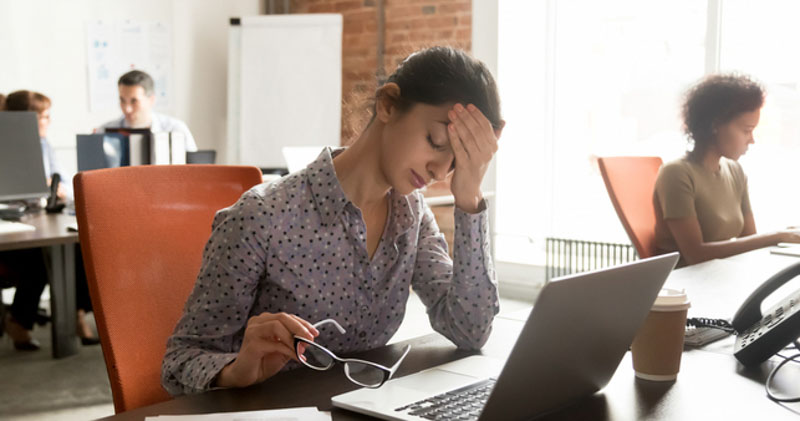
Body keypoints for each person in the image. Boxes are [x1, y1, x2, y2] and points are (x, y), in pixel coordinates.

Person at [161, 46, 505, 395]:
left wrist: (469, 199)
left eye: (454, 163)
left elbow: (470, 330)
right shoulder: (261, 217)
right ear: (388, 105)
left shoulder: (411, 215)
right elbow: (180, 361)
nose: (438, 172)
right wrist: (236, 371)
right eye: (436, 142)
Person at [654, 74, 800, 265]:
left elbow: (750, 240)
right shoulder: (676, 174)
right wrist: (777, 235)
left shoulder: (735, 171)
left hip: (724, 277)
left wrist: (782, 236)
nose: (752, 139)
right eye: (746, 130)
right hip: (687, 285)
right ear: (715, 125)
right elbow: (695, 254)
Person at [2, 90, 100, 349]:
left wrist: (56, 187)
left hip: (39, 219)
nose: (48, 121)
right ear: (26, 120)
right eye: (43, 117)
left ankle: (76, 313)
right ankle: (19, 322)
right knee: (39, 257)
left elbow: (64, 179)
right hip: (12, 227)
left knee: (79, 247)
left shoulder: (44, 144)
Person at [98, 70, 198, 152]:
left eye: (134, 101)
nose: (127, 109)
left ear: (151, 100)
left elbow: (194, 170)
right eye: (122, 100)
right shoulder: (103, 132)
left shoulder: (175, 129)